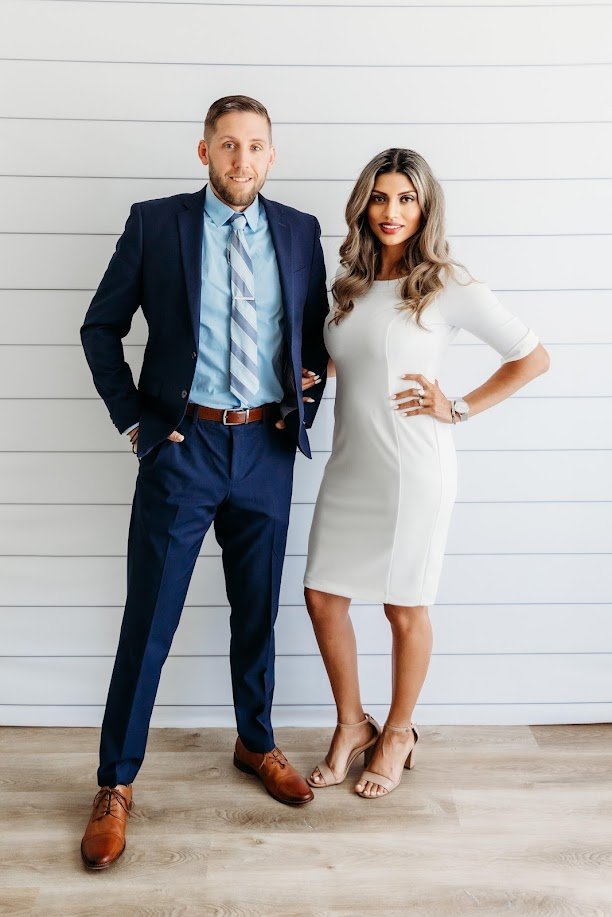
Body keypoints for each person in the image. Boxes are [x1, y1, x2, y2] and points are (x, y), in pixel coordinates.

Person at [79, 95, 329, 869]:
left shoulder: (298, 230)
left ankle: (255, 743)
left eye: (256, 146)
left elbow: (314, 335)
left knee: (256, 613)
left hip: (265, 448)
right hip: (181, 448)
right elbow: (100, 327)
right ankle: (116, 783)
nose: (242, 160)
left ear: (271, 156)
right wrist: (137, 424)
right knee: (149, 622)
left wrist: (304, 397)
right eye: (228, 145)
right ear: (204, 152)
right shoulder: (156, 224)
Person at [303, 148, 550, 799]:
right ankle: (353, 724)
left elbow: (532, 357)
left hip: (414, 468)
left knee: (402, 604)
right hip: (350, 463)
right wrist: (317, 371)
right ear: (364, 204)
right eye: (380, 198)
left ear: (425, 206)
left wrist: (459, 405)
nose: (391, 212)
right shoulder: (348, 285)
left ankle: (401, 731)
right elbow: (356, 356)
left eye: (406, 199)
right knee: (322, 595)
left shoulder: (447, 284)